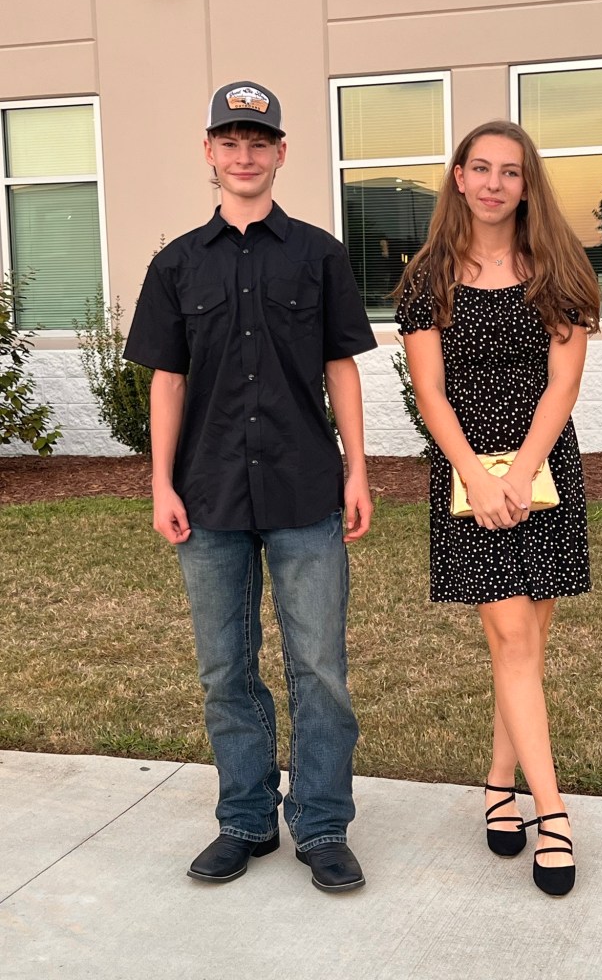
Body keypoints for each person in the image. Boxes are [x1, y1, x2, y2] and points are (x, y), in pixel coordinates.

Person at [124, 80, 376, 893]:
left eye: (257, 142)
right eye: (229, 142)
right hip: (208, 496)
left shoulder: (319, 255)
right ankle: (244, 819)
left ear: (280, 153)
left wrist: (358, 468)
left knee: (320, 668)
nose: (243, 155)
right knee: (224, 670)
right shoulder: (175, 264)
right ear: (208, 152)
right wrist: (161, 484)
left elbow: (340, 366)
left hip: (305, 490)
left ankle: (323, 826)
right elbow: (167, 381)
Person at [395, 120, 600, 897]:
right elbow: (430, 392)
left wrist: (521, 471)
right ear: (458, 177)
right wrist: (478, 479)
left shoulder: (560, 267)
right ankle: (555, 815)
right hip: (467, 481)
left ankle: (497, 782)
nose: (493, 183)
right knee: (512, 636)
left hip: (543, 472)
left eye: (509, 171)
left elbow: (563, 384)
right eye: (479, 168)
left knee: (526, 644)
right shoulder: (428, 277)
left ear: (526, 183)